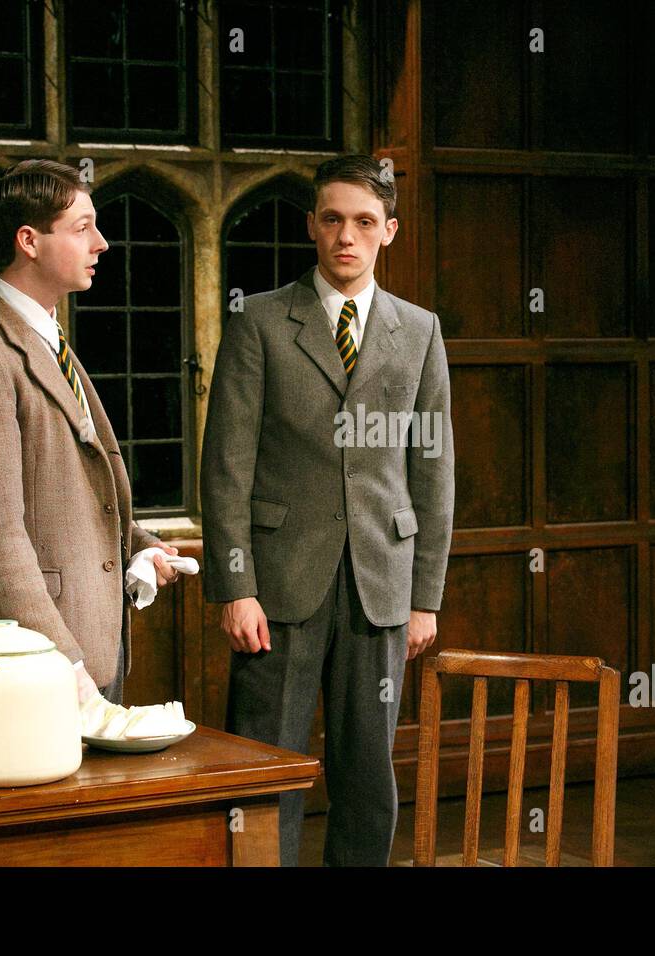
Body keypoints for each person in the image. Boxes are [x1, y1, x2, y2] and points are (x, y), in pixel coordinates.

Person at [201, 154, 455, 866]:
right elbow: (226, 468)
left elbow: (434, 472)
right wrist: (235, 586)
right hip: (278, 586)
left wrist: (425, 597)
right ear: (313, 225)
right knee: (263, 772)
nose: (348, 235)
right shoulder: (258, 322)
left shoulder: (420, 331)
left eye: (365, 222)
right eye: (334, 219)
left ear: (390, 231)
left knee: (368, 777)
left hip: (382, 584)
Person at [0, 160, 180, 706]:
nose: (102, 243)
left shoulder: (45, 338)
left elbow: (63, 495)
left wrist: (140, 548)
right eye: (82, 227)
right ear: (29, 241)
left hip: (87, 641)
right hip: (32, 665)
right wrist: (64, 661)